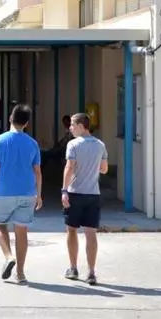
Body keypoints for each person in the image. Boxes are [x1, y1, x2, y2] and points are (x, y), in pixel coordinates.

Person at [0, 103, 43, 284]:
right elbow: (37, 171)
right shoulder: (33, 144)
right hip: (28, 193)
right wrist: (39, 194)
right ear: (27, 123)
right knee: (22, 231)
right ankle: (20, 273)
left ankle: (8, 256)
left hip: (4, 192)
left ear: (10, 118)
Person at [61, 112, 108, 285]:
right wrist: (92, 166)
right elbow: (104, 169)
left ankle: (73, 268)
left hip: (75, 193)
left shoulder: (73, 144)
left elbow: (69, 167)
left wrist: (64, 190)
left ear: (81, 126)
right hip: (93, 194)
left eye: (73, 125)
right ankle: (91, 272)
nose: (70, 128)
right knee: (91, 233)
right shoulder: (100, 145)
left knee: (71, 230)